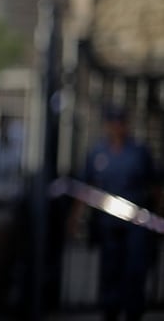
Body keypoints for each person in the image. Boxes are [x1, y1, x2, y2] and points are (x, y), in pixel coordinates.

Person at [72, 104, 158, 321]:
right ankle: (110, 310)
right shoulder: (98, 153)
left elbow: (156, 185)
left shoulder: (139, 152)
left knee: (134, 270)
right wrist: (74, 217)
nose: (116, 127)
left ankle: (133, 312)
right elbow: (86, 186)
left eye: (120, 122)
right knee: (110, 270)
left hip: (136, 223)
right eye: (112, 122)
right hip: (108, 224)